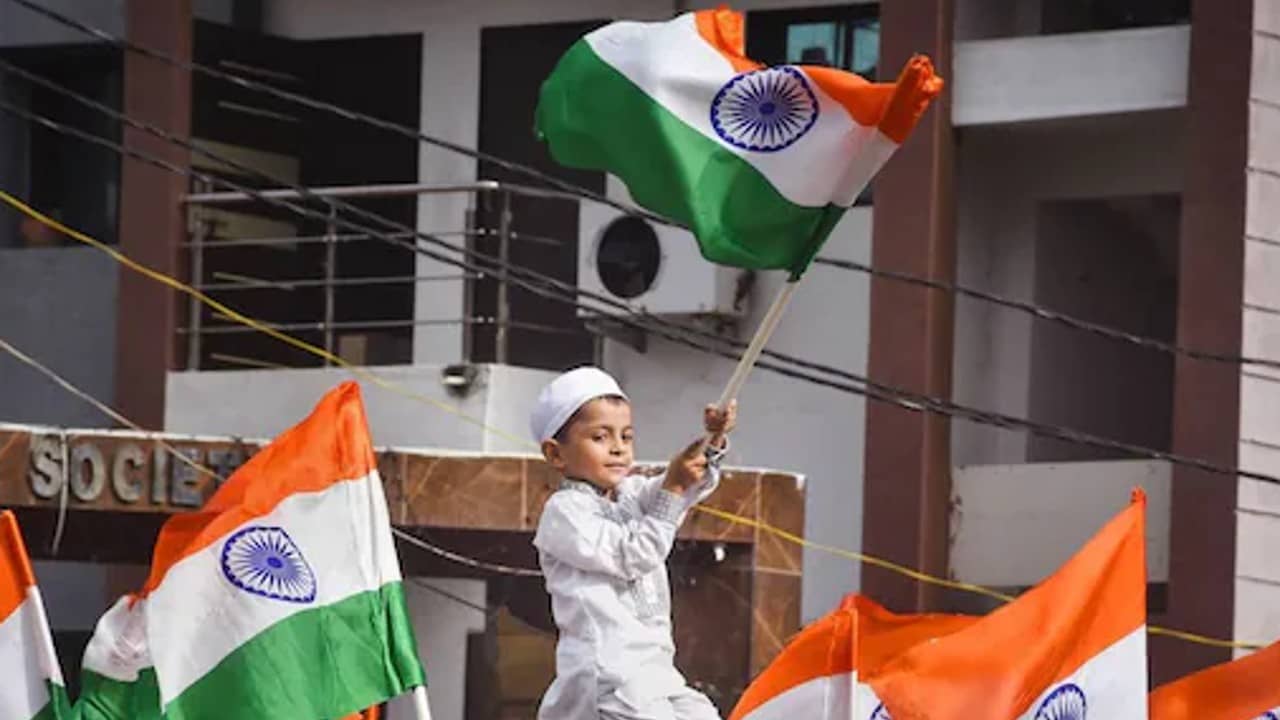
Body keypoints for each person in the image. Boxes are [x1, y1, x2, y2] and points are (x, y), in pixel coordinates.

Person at [530, 366, 737, 720]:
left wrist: (712, 439)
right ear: (556, 454)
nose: (618, 449)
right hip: (607, 678)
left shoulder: (631, 494)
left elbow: (684, 485)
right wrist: (672, 487)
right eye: (600, 438)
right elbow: (633, 554)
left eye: (626, 437)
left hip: (656, 675)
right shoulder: (564, 512)